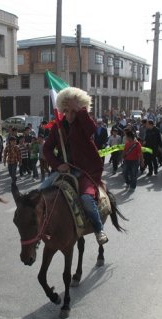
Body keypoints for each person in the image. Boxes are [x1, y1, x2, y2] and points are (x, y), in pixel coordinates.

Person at [42, 87, 108, 245]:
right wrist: (58, 165)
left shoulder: (83, 123)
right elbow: (47, 149)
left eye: (73, 111)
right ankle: (42, 228)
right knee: (40, 193)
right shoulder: (57, 128)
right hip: (63, 171)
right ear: (62, 110)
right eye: (66, 111)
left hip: (85, 172)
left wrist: (80, 110)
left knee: (86, 198)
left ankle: (99, 229)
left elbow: (93, 130)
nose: (70, 115)